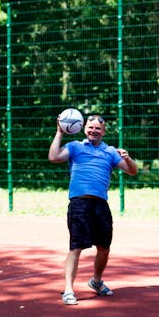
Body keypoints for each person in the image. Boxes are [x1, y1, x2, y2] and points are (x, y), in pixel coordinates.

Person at [48, 114, 138, 305]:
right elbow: (53, 157)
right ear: (84, 128)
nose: (93, 131)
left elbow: (132, 171)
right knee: (76, 247)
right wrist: (59, 132)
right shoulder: (75, 147)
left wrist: (128, 158)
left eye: (98, 128)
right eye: (90, 127)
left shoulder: (111, 151)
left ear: (103, 132)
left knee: (104, 248)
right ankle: (68, 290)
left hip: (100, 205)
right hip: (79, 204)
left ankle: (96, 281)